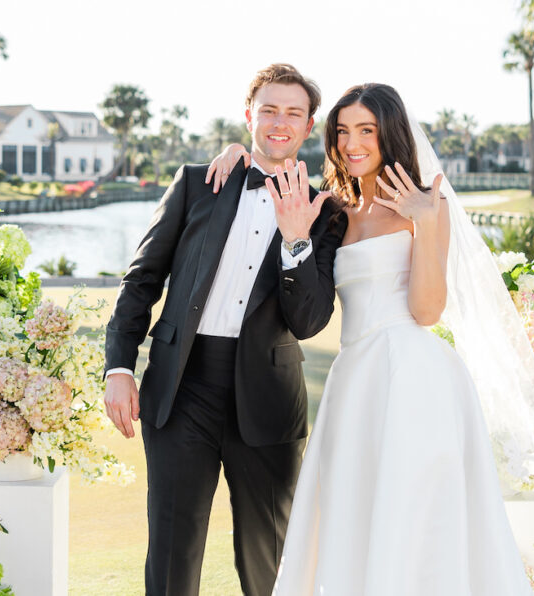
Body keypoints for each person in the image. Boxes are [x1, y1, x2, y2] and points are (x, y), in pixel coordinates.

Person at [208, 83, 534, 594]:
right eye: (342, 131)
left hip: (412, 375)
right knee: (350, 511)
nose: (352, 143)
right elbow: (278, 187)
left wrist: (425, 224)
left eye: (366, 131)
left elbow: (427, 310)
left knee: (413, 515)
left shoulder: (426, 205)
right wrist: (236, 151)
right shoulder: (335, 210)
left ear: (390, 135)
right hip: (354, 379)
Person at [102, 64, 347, 596]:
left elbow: (308, 321)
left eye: (293, 113)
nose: (279, 123)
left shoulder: (326, 213)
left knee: (268, 563)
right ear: (249, 116)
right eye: (269, 110)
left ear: (308, 127)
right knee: (171, 553)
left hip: (267, 398)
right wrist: (120, 366)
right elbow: (142, 280)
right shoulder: (198, 182)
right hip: (180, 388)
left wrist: (295, 241)